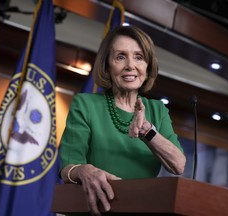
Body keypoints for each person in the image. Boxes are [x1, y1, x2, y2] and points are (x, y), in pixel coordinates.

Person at [59, 25, 186, 215]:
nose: (130, 65)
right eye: (120, 56)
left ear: (147, 66)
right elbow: (68, 167)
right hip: (91, 210)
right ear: (107, 65)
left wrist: (147, 131)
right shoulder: (86, 104)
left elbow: (178, 165)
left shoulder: (157, 110)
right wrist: (84, 170)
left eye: (139, 57)